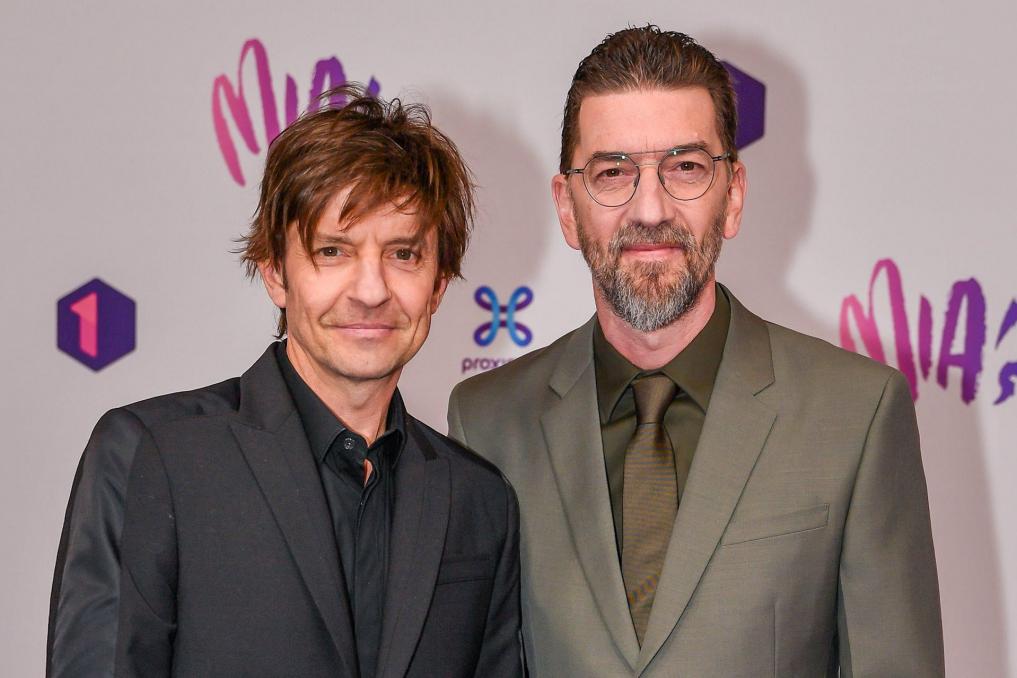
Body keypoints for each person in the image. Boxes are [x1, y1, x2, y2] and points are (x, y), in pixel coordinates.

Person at [448, 26, 943, 677]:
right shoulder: (486, 423)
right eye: (613, 172)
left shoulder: (855, 414)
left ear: (731, 196)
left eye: (684, 168)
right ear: (567, 208)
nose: (650, 209)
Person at [48, 86, 522, 678]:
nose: (371, 290)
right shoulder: (152, 453)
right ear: (275, 272)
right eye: (333, 251)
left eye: (403, 254)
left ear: (438, 285)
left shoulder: (478, 499)